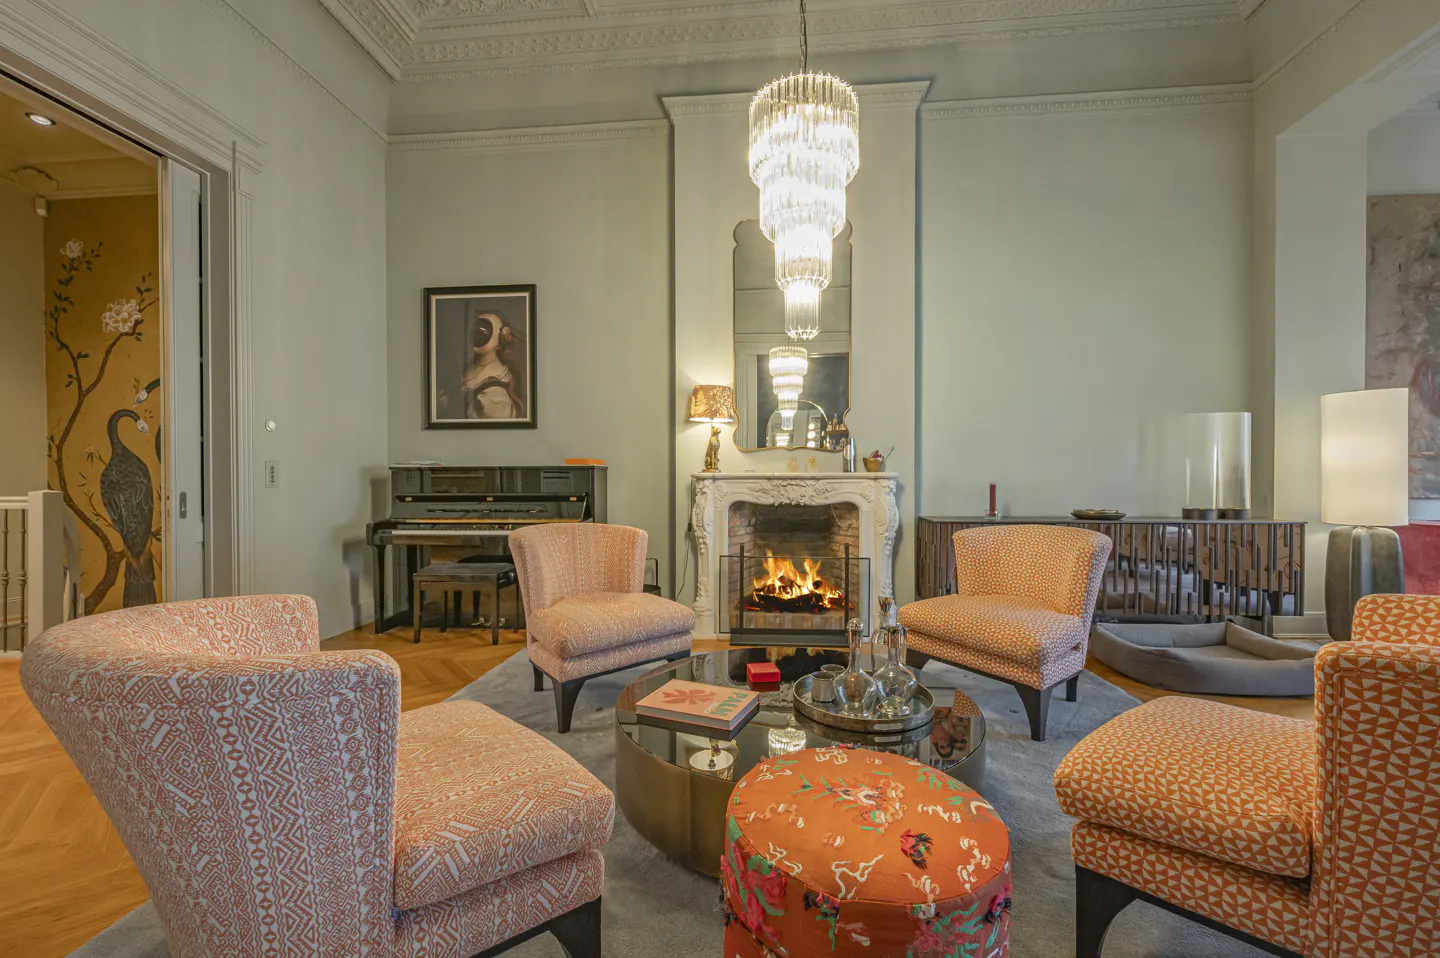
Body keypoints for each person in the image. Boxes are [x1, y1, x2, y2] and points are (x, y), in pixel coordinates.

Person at [461, 310, 526, 419]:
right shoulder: (468, 366)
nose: (477, 332)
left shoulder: (495, 394)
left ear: (499, 342)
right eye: (475, 327)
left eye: (485, 330)